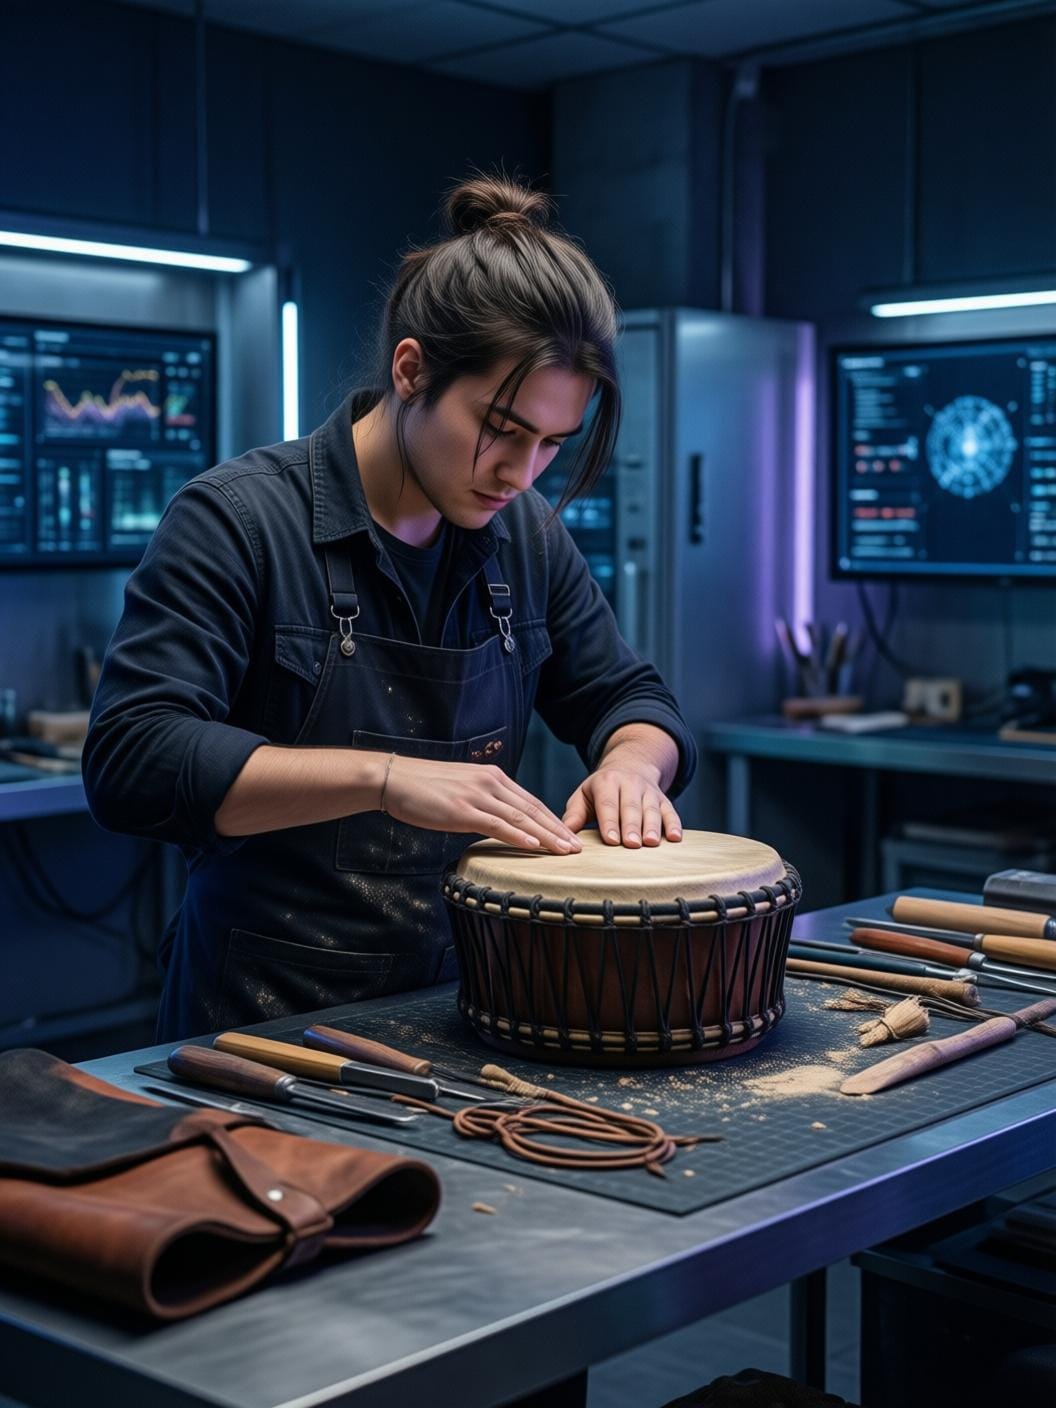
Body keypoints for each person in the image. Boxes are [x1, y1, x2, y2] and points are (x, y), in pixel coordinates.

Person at [83, 173, 697, 1042]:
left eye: (551, 445)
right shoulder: (240, 520)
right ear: (411, 371)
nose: (521, 475)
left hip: (471, 1009)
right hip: (264, 1027)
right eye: (501, 427)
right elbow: (134, 759)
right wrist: (384, 779)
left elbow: (631, 700)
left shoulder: (523, 537)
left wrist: (636, 766)